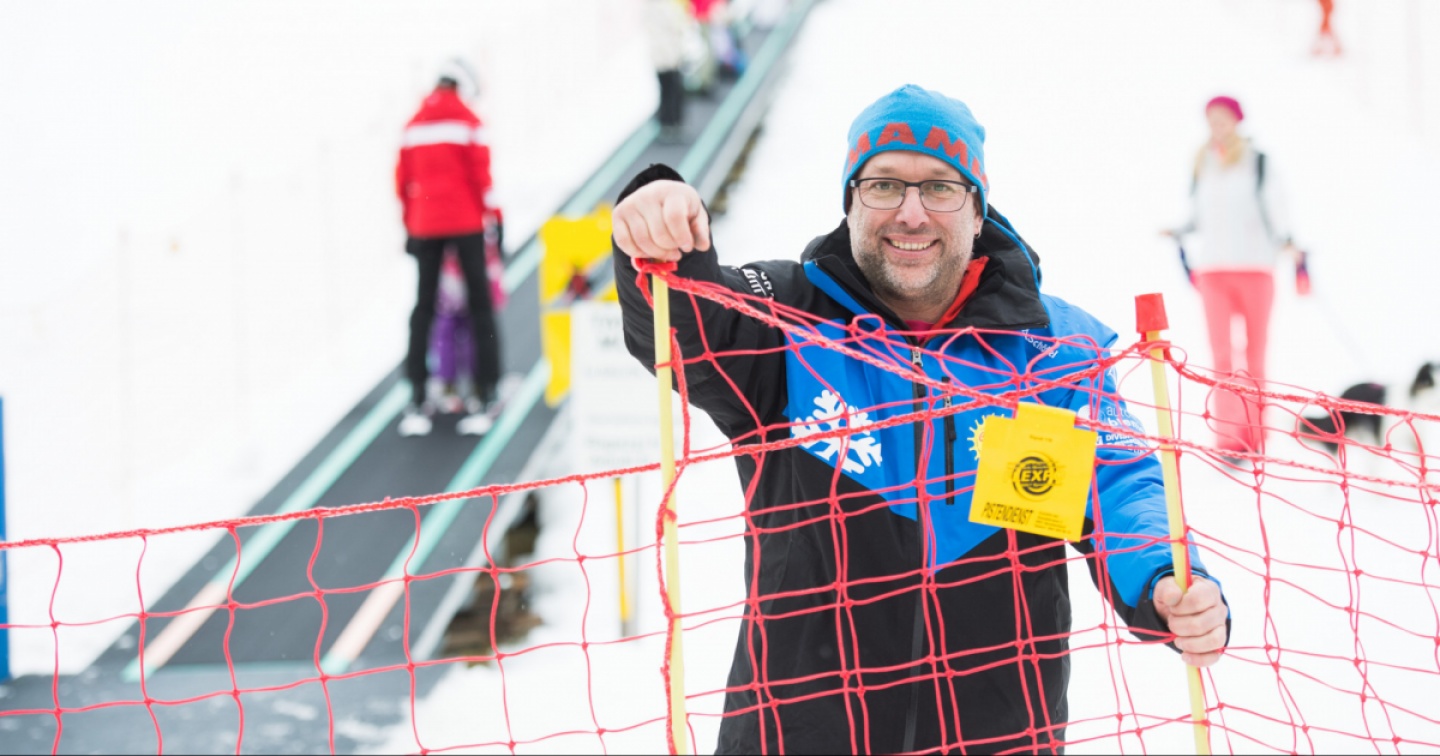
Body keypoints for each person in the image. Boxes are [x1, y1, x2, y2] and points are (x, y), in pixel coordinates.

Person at [612, 84, 1231, 754]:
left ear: (977, 209)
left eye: (940, 187)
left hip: (999, 737)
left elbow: (1118, 488)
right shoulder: (786, 321)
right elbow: (687, 323)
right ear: (851, 201)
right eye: (883, 185)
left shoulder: (1048, 352)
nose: (911, 214)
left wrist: (1165, 578)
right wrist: (660, 221)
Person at [1163, 95, 1300, 460]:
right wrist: (1178, 230)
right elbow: (1198, 214)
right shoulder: (1202, 162)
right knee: (1221, 355)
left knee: (1255, 354)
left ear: (1238, 120)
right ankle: (1229, 439)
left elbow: (1278, 208)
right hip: (1213, 270)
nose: (1217, 125)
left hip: (1256, 267)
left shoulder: (1259, 162)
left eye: (1223, 118)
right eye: (1211, 118)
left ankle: (1256, 435)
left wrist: (1288, 241)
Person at [395, 61, 504, 437]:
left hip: (425, 224)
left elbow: (402, 181)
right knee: (480, 306)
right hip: (466, 221)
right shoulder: (469, 121)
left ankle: (417, 389)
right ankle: (487, 387)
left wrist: (409, 224)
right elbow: (482, 177)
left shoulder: (413, 125)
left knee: (424, 307)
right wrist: (496, 220)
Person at [643, 0, 692, 144]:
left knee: (667, 91)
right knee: (672, 91)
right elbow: (677, 28)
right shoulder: (664, 8)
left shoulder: (652, 9)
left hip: (663, 57)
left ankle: (668, 123)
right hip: (669, 56)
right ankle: (672, 123)